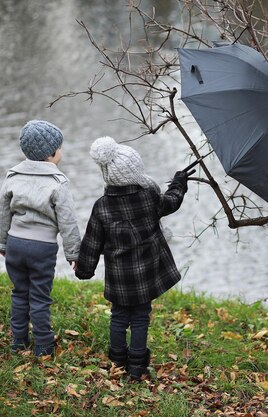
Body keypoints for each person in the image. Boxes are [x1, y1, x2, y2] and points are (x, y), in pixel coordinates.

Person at [75, 136, 192, 381]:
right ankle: (137, 367)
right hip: (145, 275)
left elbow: (92, 241)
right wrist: (179, 183)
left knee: (118, 317)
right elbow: (171, 202)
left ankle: (117, 360)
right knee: (140, 318)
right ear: (135, 172)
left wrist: (84, 269)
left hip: (119, 278)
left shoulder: (102, 206)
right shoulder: (148, 198)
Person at [0, 120, 81, 357]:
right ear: (51, 154)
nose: (61, 152)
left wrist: (2, 243)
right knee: (40, 297)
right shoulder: (58, 183)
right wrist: (73, 253)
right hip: (42, 247)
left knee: (20, 293)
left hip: (15, 243)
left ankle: (19, 342)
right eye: (60, 148)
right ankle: (43, 346)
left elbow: (3, 212)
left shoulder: (13, 176)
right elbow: (68, 222)